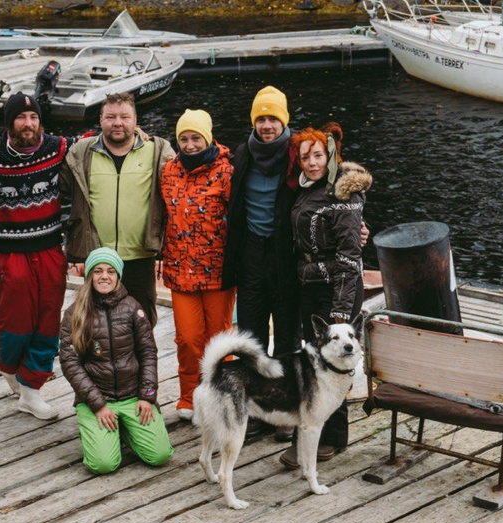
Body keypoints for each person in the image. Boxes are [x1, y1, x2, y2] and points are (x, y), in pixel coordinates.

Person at [0, 92, 81, 420]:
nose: (28, 124)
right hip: (9, 251)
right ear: (10, 122)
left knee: (47, 320)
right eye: (20, 118)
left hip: (48, 248)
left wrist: (139, 133)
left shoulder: (56, 147)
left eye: (33, 118)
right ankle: (8, 364)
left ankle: (31, 390)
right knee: (15, 321)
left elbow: (93, 138)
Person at [278, 122, 372, 468]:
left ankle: (332, 436)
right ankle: (312, 428)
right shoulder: (307, 190)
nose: (312, 162)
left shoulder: (341, 195)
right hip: (310, 283)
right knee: (316, 361)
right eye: (305, 157)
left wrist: (340, 313)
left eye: (317, 155)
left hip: (336, 287)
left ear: (329, 156)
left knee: (335, 361)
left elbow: (349, 258)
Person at [222, 86, 302, 441]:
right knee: (250, 333)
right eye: (261, 118)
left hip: (285, 253)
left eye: (273, 118)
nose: (267, 125)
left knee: (287, 333)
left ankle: (285, 408)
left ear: (283, 121)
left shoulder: (298, 153)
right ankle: (254, 407)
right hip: (251, 251)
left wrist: (356, 224)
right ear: (253, 121)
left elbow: (329, 185)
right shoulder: (243, 153)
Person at [60, 92, 175, 326]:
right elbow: (56, 171)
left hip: (140, 255)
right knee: (96, 326)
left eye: (125, 117)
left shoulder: (157, 151)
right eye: (110, 117)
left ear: (136, 120)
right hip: (97, 256)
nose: (118, 123)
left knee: (142, 324)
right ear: (100, 120)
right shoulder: (82, 151)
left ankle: (140, 364)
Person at [59, 247, 174, 474]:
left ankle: (125, 430)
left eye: (111, 271)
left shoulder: (133, 308)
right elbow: (70, 363)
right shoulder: (74, 314)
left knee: (160, 455)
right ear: (89, 275)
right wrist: (98, 405)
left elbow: (148, 353)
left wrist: (147, 396)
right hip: (96, 399)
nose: (104, 276)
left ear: (118, 276)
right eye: (98, 271)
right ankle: (95, 429)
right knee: (103, 465)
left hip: (133, 396)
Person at [159, 109, 235, 422]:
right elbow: (160, 216)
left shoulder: (227, 170)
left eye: (196, 138)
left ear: (207, 137)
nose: (190, 144)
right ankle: (189, 395)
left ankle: (221, 394)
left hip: (218, 269)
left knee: (218, 339)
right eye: (184, 138)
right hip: (180, 269)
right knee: (188, 339)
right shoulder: (168, 171)